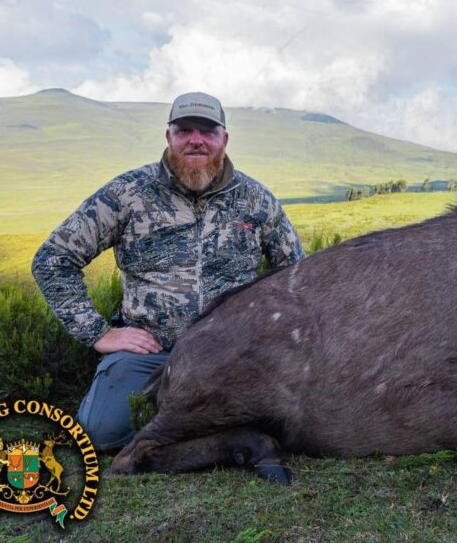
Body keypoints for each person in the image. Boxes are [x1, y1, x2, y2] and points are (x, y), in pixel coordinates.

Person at [32, 92, 304, 450]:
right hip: (151, 353)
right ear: (168, 136)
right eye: (184, 130)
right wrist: (100, 333)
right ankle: (208, 432)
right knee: (101, 432)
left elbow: (297, 275)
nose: (196, 140)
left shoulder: (256, 199)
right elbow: (53, 259)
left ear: (224, 138)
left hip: (235, 352)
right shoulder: (127, 193)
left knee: (301, 423)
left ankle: (203, 434)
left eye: (207, 131)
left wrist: (275, 339)